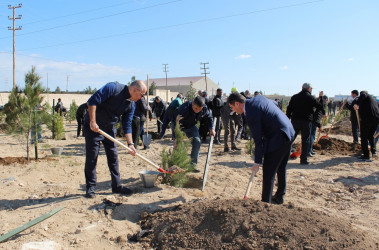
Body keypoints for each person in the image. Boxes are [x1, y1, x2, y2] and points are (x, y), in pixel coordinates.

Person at [83, 80, 147, 198]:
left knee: (113, 157)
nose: (142, 98)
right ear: (135, 90)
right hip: (93, 127)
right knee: (92, 157)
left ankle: (116, 186)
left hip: (109, 128)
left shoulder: (131, 104)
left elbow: (127, 124)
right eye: (142, 95)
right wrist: (92, 122)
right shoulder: (113, 88)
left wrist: (130, 144)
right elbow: (92, 102)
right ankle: (90, 187)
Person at [228, 92, 295, 204]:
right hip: (289, 131)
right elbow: (274, 103)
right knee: (281, 167)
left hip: (278, 137)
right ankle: (279, 197)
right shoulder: (258, 98)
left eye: (232, 107)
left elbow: (258, 140)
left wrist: (257, 162)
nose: (234, 110)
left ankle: (265, 203)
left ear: (237, 104)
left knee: (269, 172)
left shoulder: (251, 113)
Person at [286, 83, 324, 165]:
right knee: (305, 140)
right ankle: (303, 160)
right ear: (309, 89)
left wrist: (287, 119)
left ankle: (285, 157)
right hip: (306, 121)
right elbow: (320, 107)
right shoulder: (311, 98)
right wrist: (321, 99)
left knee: (291, 139)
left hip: (295, 121)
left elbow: (289, 109)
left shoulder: (295, 97)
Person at [175, 96, 215, 172]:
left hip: (192, 126)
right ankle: (177, 166)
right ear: (193, 104)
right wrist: (176, 137)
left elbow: (209, 117)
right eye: (196, 108)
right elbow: (176, 123)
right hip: (181, 127)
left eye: (200, 109)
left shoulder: (204, 108)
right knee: (179, 146)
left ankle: (192, 166)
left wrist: (211, 128)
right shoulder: (184, 109)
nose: (198, 111)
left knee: (197, 142)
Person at [354, 91, 379, 161]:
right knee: (370, 135)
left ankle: (366, 155)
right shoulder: (372, 99)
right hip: (376, 119)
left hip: (368, 119)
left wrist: (356, 103)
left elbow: (363, 95)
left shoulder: (365, 95)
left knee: (364, 136)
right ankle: (374, 152)